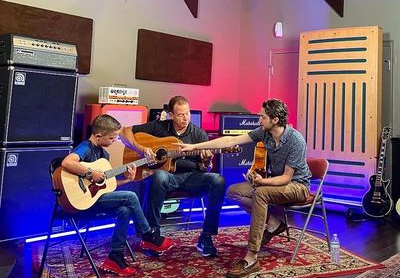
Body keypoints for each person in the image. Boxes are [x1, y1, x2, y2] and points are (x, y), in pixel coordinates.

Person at [175, 99, 311, 277]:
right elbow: (231, 140)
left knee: (261, 193)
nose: (259, 120)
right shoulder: (264, 133)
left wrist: (261, 182)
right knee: (234, 191)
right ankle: (273, 223)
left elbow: (286, 178)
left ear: (275, 120)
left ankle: (251, 257)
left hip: (297, 186)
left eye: (262, 117)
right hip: (277, 184)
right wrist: (194, 147)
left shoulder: (295, 140)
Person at [61, 114, 174, 276]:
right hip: (81, 202)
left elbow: (106, 188)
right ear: (98, 136)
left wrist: (128, 180)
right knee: (130, 197)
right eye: (112, 138)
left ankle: (115, 257)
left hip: (96, 199)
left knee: (125, 210)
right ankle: (148, 235)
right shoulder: (86, 147)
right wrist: (90, 172)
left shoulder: (104, 156)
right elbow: (67, 162)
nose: (114, 141)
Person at [120, 95, 226, 257]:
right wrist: (142, 149)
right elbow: (124, 131)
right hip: (168, 177)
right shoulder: (159, 127)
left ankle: (206, 236)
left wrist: (207, 161)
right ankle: (152, 234)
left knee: (218, 180)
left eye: (188, 113)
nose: (186, 118)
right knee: (160, 176)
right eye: (181, 115)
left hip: (192, 177)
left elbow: (205, 169)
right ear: (171, 114)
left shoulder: (199, 135)